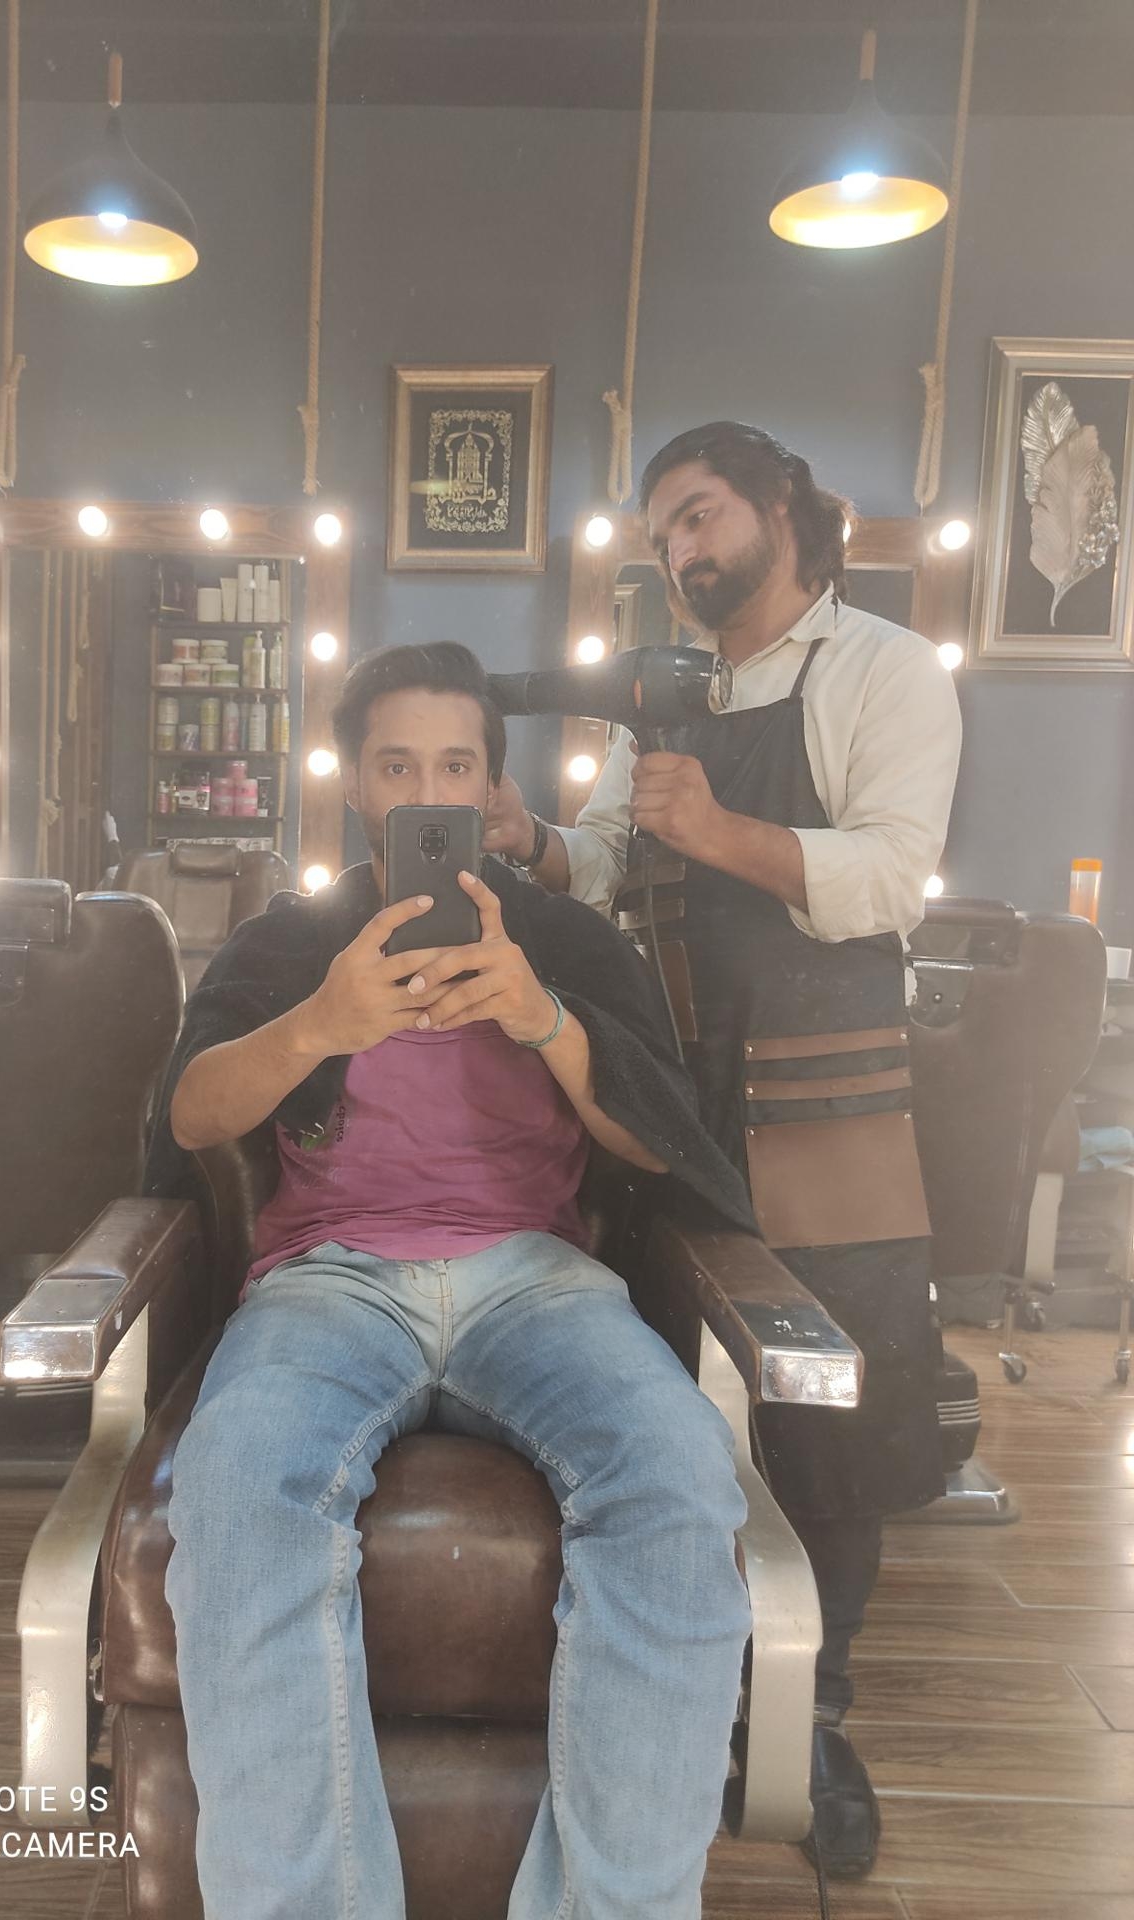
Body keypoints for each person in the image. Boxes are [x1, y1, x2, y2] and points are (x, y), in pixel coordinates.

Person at [154, 640, 762, 1920]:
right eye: (396, 766)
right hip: (330, 1284)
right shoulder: (290, 941)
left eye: (453, 766)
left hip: (537, 1282)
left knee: (679, 1478)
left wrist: (543, 1018)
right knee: (236, 1485)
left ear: (492, 788)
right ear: (354, 783)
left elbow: (660, 1142)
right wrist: (320, 1024)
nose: (426, 791)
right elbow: (193, 1113)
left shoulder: (568, 942)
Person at [485, 421, 963, 1879]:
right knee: (673, 1397)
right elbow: (606, 862)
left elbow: (894, 875)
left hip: (830, 1100)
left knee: (832, 1420)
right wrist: (532, 839)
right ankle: (679, 1676)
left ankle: (814, 1718)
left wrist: (725, 828)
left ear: (779, 508)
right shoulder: (661, 699)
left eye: (697, 516)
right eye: (662, 536)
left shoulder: (888, 671)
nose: (680, 552)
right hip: (673, 1096)